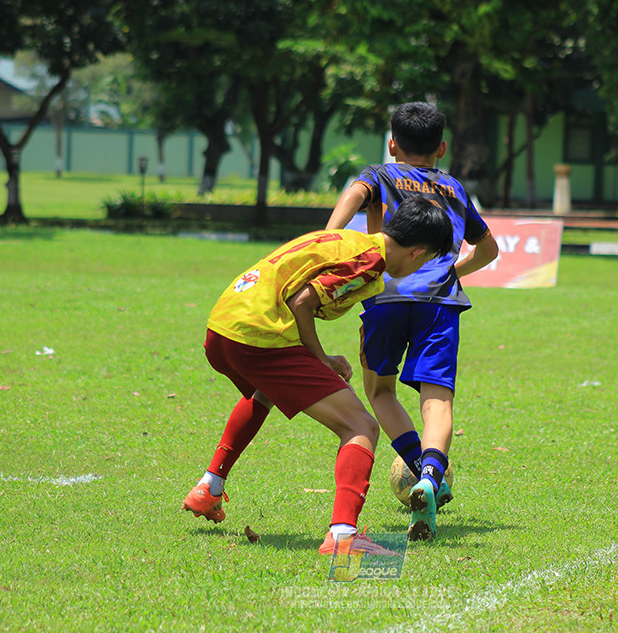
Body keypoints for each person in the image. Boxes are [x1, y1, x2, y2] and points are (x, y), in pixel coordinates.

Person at [182, 196, 454, 556]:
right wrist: (321, 359)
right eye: (428, 260)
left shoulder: (349, 240)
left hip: (224, 327)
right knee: (361, 426)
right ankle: (342, 536)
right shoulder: (369, 261)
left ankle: (209, 487)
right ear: (417, 253)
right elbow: (302, 303)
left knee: (265, 391)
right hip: (258, 333)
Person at [326, 101, 499, 542]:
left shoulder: (379, 175)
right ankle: (430, 473)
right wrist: (448, 274)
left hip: (384, 299)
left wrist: (330, 238)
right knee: (437, 402)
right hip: (440, 305)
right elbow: (489, 250)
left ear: (391, 144)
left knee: (379, 391)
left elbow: (353, 195)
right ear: (441, 147)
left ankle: (422, 472)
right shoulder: (456, 189)